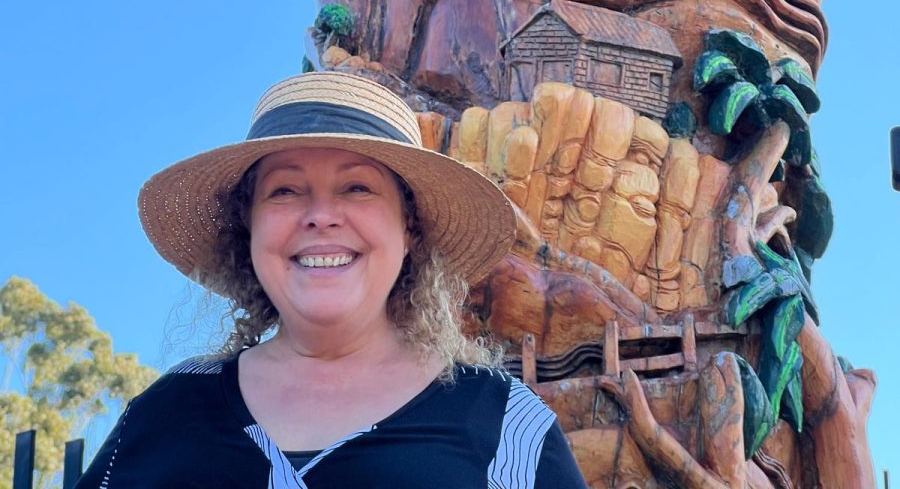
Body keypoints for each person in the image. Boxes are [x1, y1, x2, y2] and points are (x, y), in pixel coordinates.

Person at [76, 71, 589, 488]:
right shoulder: (166, 412)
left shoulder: (506, 426)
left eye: (357, 187)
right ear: (248, 228)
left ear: (409, 228)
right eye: (285, 191)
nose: (321, 215)